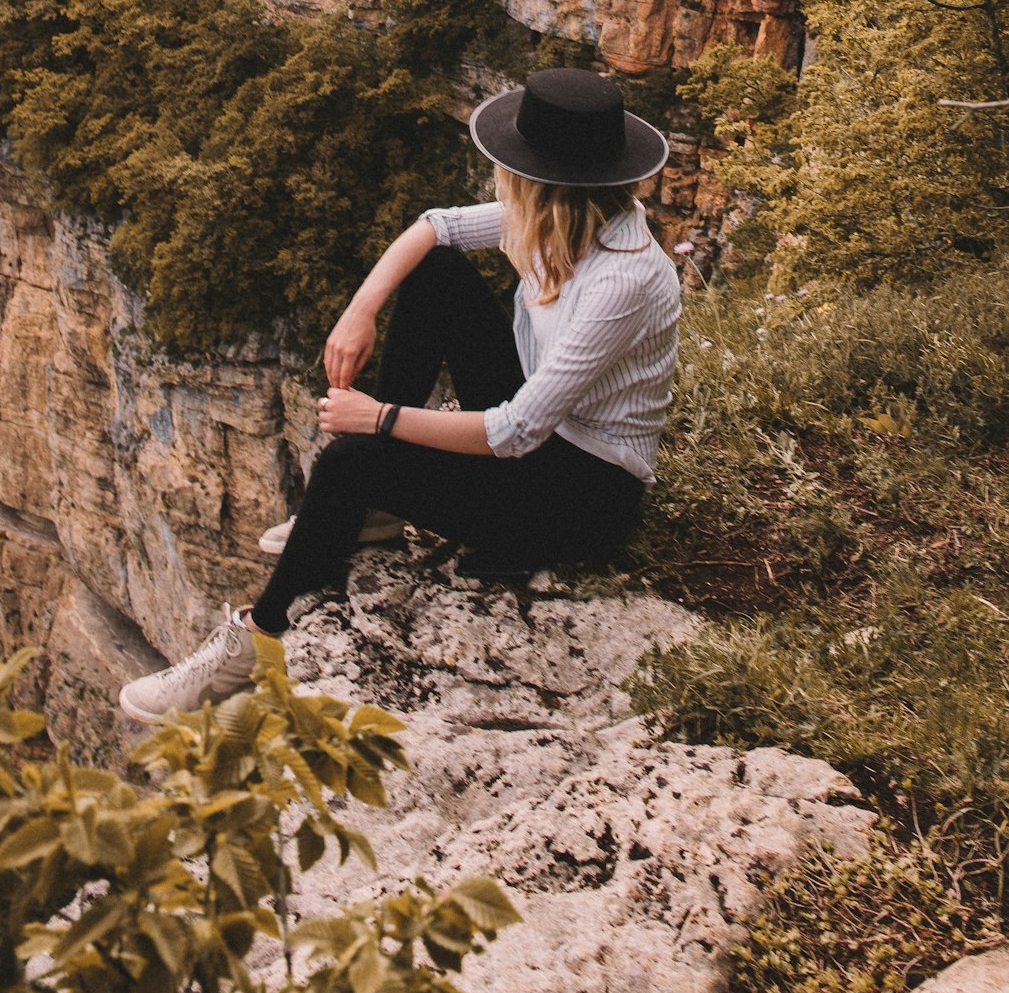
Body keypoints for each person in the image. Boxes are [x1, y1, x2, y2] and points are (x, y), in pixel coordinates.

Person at [118, 66, 680, 722]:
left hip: (580, 499)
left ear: (542, 183)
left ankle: (258, 639)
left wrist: (378, 418)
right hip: (546, 429)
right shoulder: (562, 219)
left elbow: (514, 431)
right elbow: (434, 228)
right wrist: (360, 309)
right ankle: (374, 513)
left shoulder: (623, 281)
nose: (505, 178)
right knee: (435, 273)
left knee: (352, 463)